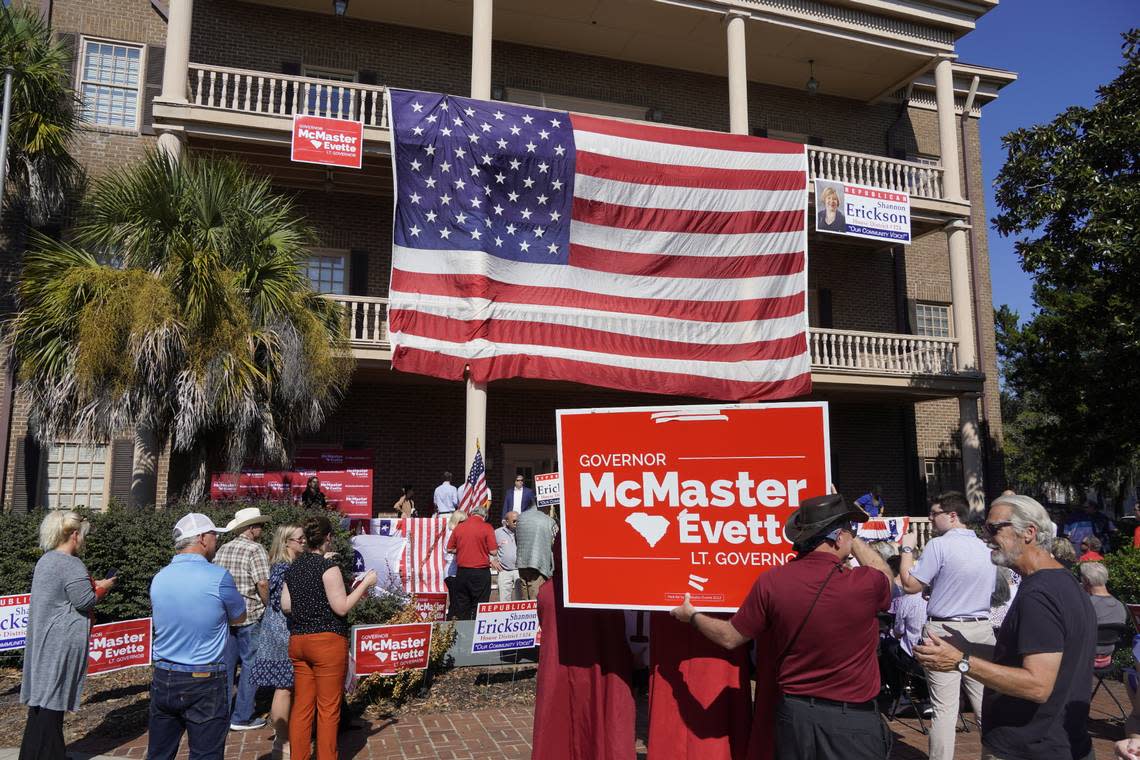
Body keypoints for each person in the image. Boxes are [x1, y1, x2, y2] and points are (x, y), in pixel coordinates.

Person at [671, 493, 893, 760]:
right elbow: (886, 577)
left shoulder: (772, 581)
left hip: (795, 717)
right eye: (848, 530)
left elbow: (730, 637)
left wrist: (692, 616)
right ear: (838, 537)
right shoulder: (865, 583)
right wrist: (853, 540)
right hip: (851, 721)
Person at [915, 494, 1095, 760]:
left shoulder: (1040, 595)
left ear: (1029, 532)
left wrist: (961, 662)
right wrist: (967, 648)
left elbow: (1037, 685)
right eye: (985, 528)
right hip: (1058, 742)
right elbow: (1040, 657)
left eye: (994, 528)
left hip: (1030, 748)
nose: (986, 537)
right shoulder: (1063, 582)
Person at [898, 491, 996, 760]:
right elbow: (997, 593)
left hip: (943, 630)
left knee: (944, 710)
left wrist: (907, 548)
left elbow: (909, 585)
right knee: (985, 706)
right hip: (980, 627)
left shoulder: (938, 545)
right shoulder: (987, 548)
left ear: (953, 516)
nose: (930, 519)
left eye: (934, 513)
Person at [149, 513, 247, 760]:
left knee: (159, 753)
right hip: (204, 677)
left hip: (164, 675)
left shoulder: (160, 578)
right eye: (214, 536)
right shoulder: (218, 577)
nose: (216, 542)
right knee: (206, 754)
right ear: (202, 538)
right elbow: (240, 616)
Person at [19, 510, 115, 760]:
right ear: (74, 535)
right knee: (54, 702)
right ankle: (52, 754)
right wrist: (103, 587)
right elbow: (84, 600)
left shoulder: (46, 560)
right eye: (81, 535)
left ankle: (35, 754)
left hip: (44, 637)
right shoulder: (71, 563)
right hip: (62, 639)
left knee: (41, 702)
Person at [281, 516, 376, 760]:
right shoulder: (328, 568)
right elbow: (342, 607)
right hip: (327, 641)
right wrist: (365, 584)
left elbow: (286, 605)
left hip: (299, 640)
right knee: (328, 708)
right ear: (328, 538)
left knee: (302, 706)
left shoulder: (294, 568)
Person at [213, 507, 271, 732]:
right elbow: (263, 583)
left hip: (226, 616)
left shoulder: (223, 549)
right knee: (251, 665)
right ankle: (242, 716)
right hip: (250, 615)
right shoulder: (256, 550)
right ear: (251, 528)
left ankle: (222, 713)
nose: (262, 529)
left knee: (226, 667)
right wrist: (268, 605)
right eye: (259, 525)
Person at [250, 524, 304, 760]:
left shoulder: (283, 566)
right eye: (299, 538)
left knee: (286, 686)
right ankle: (282, 742)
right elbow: (282, 602)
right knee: (283, 687)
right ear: (286, 542)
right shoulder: (284, 568)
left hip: (278, 629)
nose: (304, 541)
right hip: (283, 631)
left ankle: (285, 739)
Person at [446, 504, 500, 619]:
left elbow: (449, 549)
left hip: (462, 572)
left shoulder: (459, 527)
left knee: (463, 604)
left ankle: (463, 634)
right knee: (480, 605)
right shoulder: (487, 527)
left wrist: (464, 548)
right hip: (480, 572)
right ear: (484, 516)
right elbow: (494, 551)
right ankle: (476, 633)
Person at [1080, 561, 1127, 668]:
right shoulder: (1120, 606)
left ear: (1086, 580)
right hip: (1107, 659)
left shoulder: (1086, 604)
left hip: (1084, 658)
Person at [515, 501, 557, 600]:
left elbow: (517, 539)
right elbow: (556, 542)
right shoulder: (548, 521)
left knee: (524, 601)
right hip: (539, 565)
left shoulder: (520, 518)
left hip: (522, 562)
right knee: (536, 600)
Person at [443, 510, 468, 618]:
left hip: (456, 570)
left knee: (457, 601)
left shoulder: (456, 531)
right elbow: (449, 549)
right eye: (463, 522)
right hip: (451, 571)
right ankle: (450, 624)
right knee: (455, 601)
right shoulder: (451, 532)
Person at [495, 511, 520, 602]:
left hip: (519, 570)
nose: (517, 523)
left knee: (521, 599)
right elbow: (490, 548)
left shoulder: (523, 531)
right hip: (504, 570)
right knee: (504, 599)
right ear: (507, 521)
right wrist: (493, 560)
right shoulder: (497, 533)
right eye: (514, 521)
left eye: (518, 520)